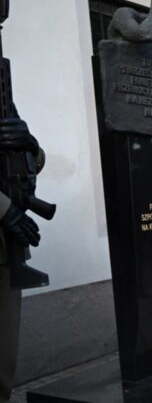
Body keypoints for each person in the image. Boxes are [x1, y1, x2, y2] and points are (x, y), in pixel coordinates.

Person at [0, 119, 45, 403]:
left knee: (4, 362)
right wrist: (4, 209)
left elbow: (31, 164)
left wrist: (31, 146)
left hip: (7, 250)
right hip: (8, 224)